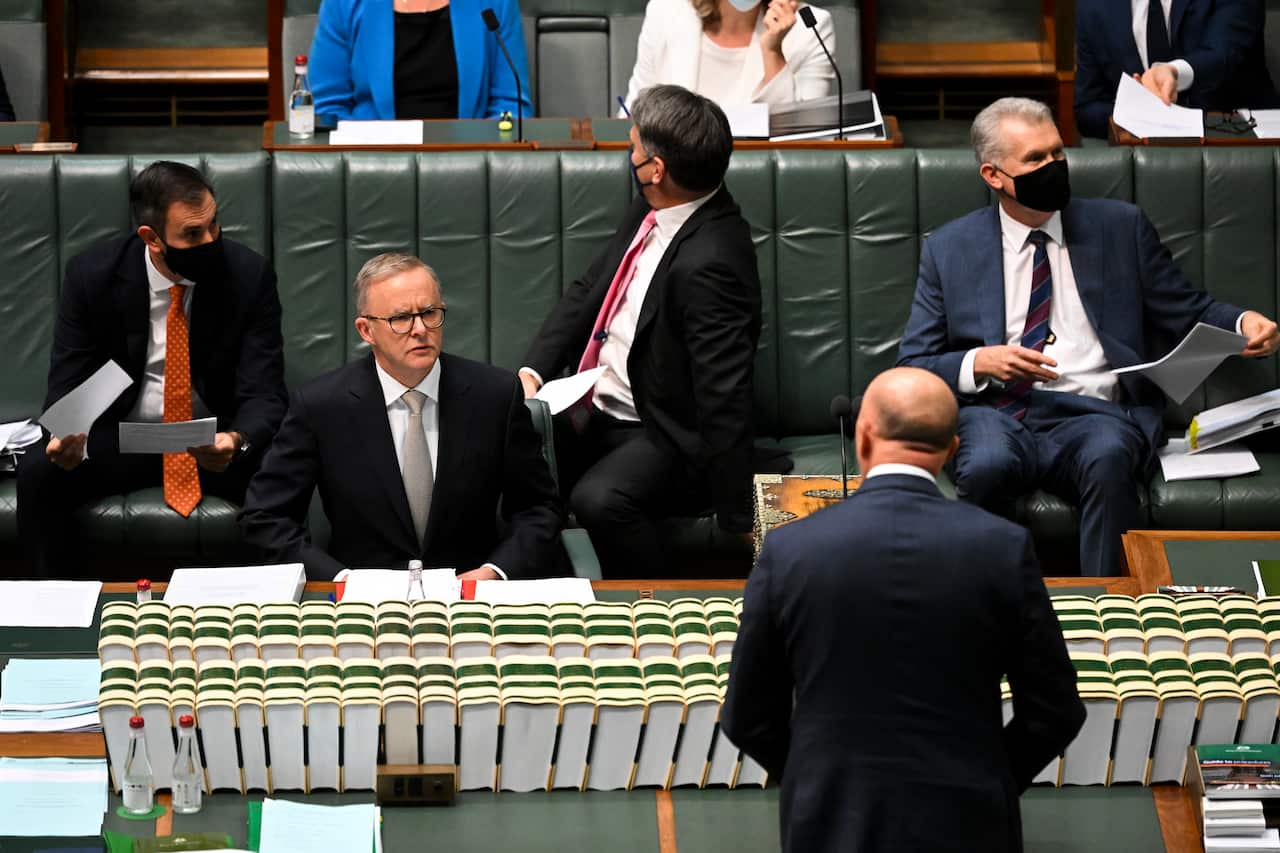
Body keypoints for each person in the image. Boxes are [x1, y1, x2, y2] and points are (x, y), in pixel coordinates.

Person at [898, 97, 1280, 577]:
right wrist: (980, 362)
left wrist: (1243, 322)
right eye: (1035, 160)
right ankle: (989, 607)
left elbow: (1188, 308)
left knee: (1109, 456)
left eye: (1057, 153)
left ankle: (1109, 616)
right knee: (988, 464)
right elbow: (913, 363)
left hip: (1094, 412)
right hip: (998, 411)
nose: (1053, 167)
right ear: (993, 176)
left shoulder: (1118, 228)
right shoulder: (950, 249)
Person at [723, 367, 1085, 853]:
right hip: (969, 823)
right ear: (952, 451)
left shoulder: (791, 550)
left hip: (830, 824)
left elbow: (747, 715)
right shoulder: (1003, 547)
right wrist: (988, 777)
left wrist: (816, 780)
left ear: (863, 436)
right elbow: (1055, 713)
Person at [519, 84, 761, 578]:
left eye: (634, 147)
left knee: (598, 500)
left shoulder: (712, 262)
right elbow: (591, 287)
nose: (628, 154)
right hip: (594, 402)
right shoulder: (655, 205)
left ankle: (664, 600)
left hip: (662, 429)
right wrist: (534, 370)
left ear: (656, 170)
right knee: (499, 445)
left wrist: (738, 511)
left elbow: (723, 392)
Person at [17, 161, 287, 576]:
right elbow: (68, 381)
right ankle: (51, 612)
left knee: (285, 461)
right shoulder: (93, 277)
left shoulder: (247, 275)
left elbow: (264, 393)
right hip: (120, 438)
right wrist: (63, 437)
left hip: (211, 441)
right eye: (193, 235)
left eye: (215, 225)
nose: (211, 240)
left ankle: (274, 605)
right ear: (151, 238)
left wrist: (236, 439)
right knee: (40, 471)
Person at [239, 253, 561, 582]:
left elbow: (537, 509)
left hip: (471, 600)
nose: (420, 329)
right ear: (366, 330)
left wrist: (494, 572)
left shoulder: (495, 395)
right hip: (362, 607)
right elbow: (265, 518)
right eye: (401, 319)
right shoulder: (321, 406)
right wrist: (341, 579)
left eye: (429, 313)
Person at [1075, 0, 1279, 139]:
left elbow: (1223, 53)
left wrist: (1174, 72)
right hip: (1143, 157)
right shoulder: (1094, 7)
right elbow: (1087, 108)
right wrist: (1134, 111)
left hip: (1238, 146)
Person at [308, 0, 532, 124]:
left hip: (469, 169)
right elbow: (327, 111)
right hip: (371, 169)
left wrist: (478, 164)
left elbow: (510, 107)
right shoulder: (344, 4)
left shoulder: (495, 3)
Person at [620, 0, 835, 113]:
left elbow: (806, 142)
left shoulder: (810, 27)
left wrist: (773, 52)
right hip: (674, 182)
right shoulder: (665, 11)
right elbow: (633, 120)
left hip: (762, 180)